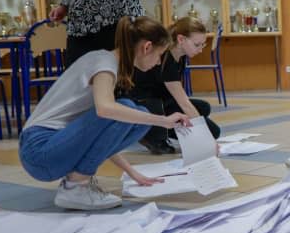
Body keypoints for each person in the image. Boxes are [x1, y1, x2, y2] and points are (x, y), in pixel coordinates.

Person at [19, 16, 192, 211]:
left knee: (135, 113)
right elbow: (105, 110)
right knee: (127, 108)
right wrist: (163, 121)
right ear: (147, 47)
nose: (159, 61)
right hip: (39, 152)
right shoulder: (105, 64)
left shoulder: (105, 60)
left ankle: (77, 183)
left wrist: (133, 173)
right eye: (160, 54)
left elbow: (103, 134)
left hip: (46, 151)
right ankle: (76, 186)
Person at [127, 17, 221, 154]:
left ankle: (165, 129)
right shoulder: (167, 58)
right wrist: (205, 138)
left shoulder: (181, 55)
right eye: (197, 44)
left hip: (162, 100)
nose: (200, 49)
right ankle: (150, 135)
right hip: (145, 102)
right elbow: (184, 103)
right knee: (210, 131)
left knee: (203, 108)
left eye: (203, 45)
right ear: (181, 39)